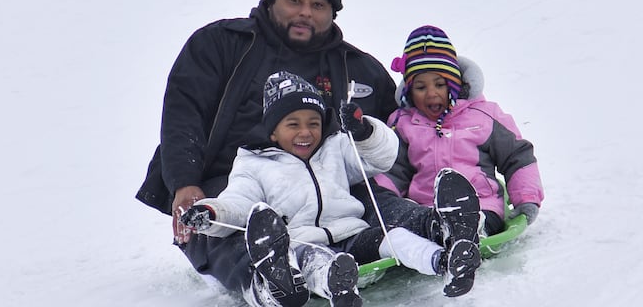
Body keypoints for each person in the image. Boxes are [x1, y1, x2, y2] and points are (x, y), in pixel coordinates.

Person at [133, 0, 449, 303]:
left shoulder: (358, 67)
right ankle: (268, 280)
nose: (305, 12)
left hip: (327, 177)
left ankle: (437, 228)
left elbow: (409, 125)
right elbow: (183, 113)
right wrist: (184, 182)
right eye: (294, 0)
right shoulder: (221, 43)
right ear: (272, 0)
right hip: (227, 179)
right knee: (227, 221)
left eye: (318, 4)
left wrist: (466, 150)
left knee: (374, 195)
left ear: (332, 13)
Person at [178, 71, 481, 306]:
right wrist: (210, 212)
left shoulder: (334, 148)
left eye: (313, 122)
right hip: (303, 242)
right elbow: (238, 203)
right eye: (292, 124)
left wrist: (364, 132)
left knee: (394, 237)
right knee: (316, 261)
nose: (306, 132)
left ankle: (446, 261)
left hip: (353, 234)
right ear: (273, 132)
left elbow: (381, 158)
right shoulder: (255, 164)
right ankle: (335, 286)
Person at [374, 25, 545, 237]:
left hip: (481, 205)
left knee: (475, 219)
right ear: (409, 91)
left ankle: (472, 230)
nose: (431, 93)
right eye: (420, 87)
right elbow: (393, 171)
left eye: (439, 84)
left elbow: (517, 156)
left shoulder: (483, 116)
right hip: (426, 213)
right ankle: (435, 238)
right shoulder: (403, 124)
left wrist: (527, 198)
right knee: (413, 226)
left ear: (454, 84)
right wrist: (381, 203)